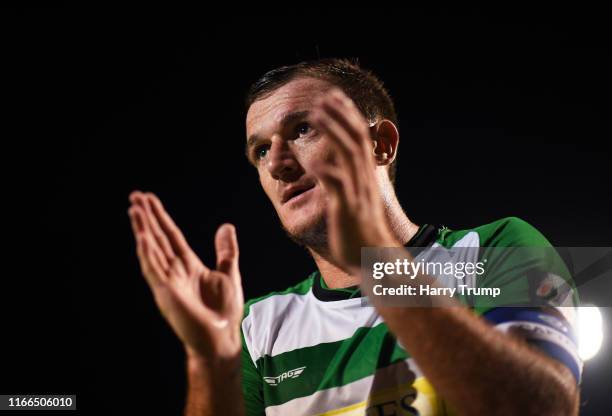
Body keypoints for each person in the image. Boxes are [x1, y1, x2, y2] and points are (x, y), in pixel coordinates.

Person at [127, 59, 581, 415]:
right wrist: (209, 362)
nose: (277, 163)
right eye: (261, 149)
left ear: (380, 144)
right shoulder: (254, 328)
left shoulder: (495, 247)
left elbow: (543, 407)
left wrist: (377, 260)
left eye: (301, 130)